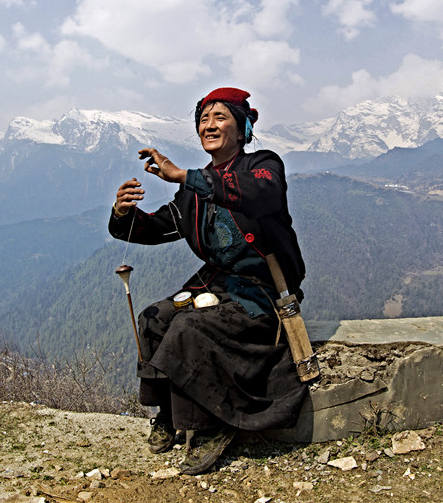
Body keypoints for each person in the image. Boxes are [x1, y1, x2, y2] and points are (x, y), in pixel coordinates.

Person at [109, 87, 308, 475]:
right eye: (203, 119)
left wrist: (183, 175)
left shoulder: (263, 166)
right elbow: (158, 228)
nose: (209, 125)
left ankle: (211, 425)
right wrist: (123, 212)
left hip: (263, 292)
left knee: (190, 327)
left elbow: (260, 193)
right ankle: (168, 413)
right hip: (216, 284)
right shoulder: (193, 192)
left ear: (242, 128)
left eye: (220, 117)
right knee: (153, 318)